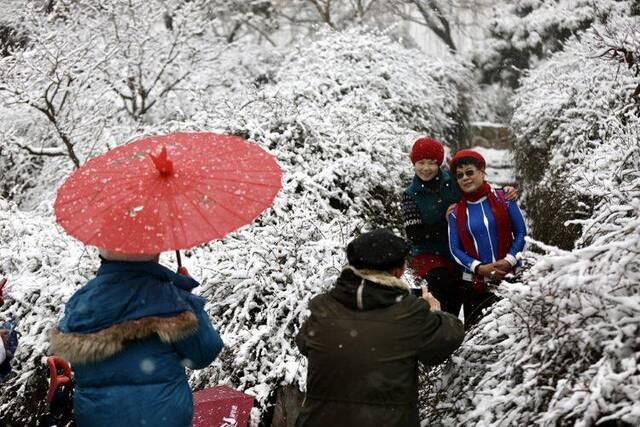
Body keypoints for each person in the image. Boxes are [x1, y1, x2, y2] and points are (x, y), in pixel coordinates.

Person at [295, 229, 464, 427]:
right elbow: (445, 342)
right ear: (399, 271)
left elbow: (304, 343)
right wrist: (436, 312)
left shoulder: (323, 307)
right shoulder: (409, 312)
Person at [49, 250, 224, 427]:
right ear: (154, 253)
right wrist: (187, 297)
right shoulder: (170, 298)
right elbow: (204, 353)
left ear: (103, 252)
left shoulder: (80, 303)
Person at [402, 138, 517, 316]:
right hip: (430, 253)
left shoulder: (453, 181)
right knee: (443, 285)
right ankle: (442, 327)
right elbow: (415, 234)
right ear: (414, 163)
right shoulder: (410, 195)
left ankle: (468, 327)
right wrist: (449, 220)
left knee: (467, 287)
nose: (426, 168)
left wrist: (504, 192)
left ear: (438, 163)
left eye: (431, 163)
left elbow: (478, 190)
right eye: (420, 163)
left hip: (462, 246)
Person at [447, 150, 527, 328]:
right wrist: (480, 268)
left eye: (470, 172)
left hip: (510, 280)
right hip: (475, 288)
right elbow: (455, 250)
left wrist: (509, 261)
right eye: (460, 176)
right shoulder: (456, 213)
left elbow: (521, 233)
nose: (465, 178)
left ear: (482, 171)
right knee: (477, 345)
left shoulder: (504, 198)